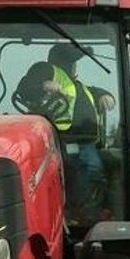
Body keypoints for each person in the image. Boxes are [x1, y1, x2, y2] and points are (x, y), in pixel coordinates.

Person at [16, 43, 115, 222]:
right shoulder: (45, 70)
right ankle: (77, 212)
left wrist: (104, 95)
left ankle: (91, 210)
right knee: (81, 172)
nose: (76, 67)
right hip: (61, 141)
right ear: (67, 62)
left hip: (86, 142)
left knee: (98, 172)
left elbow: (93, 90)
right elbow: (24, 88)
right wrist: (43, 85)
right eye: (74, 62)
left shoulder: (79, 86)